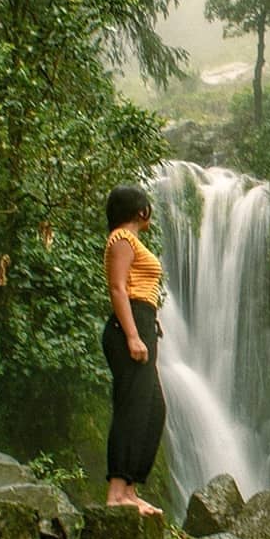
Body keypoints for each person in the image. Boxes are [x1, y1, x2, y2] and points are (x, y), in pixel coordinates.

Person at [102, 185, 166, 516]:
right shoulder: (122, 239)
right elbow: (118, 288)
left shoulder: (131, 241)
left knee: (152, 410)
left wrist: (145, 329)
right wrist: (132, 335)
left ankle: (130, 489)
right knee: (131, 408)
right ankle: (116, 493)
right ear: (141, 211)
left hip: (143, 321)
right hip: (129, 325)